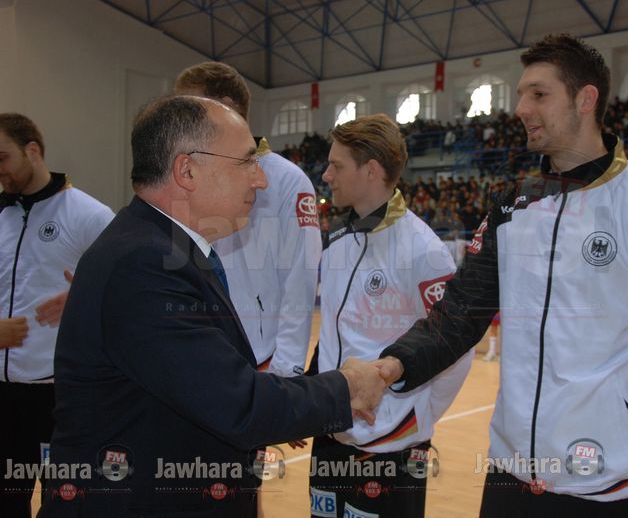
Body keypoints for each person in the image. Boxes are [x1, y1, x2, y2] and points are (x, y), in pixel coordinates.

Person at [376, 34, 628, 517]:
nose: (521, 108)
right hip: (510, 470)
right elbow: (460, 312)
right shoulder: (514, 205)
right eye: (521, 94)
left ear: (585, 99)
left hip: (609, 480)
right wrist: (392, 364)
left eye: (539, 94)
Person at [38, 96, 385, 518]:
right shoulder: (143, 263)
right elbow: (237, 403)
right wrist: (347, 388)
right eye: (247, 161)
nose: (261, 179)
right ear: (187, 171)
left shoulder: (167, 250)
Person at [308, 114, 473, 518]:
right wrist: (311, 395)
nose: (326, 175)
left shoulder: (423, 250)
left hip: (391, 446)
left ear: (371, 170)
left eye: (336, 165)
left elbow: (456, 346)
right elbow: (334, 333)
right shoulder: (336, 240)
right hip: (330, 433)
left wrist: (414, 420)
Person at [0, 113, 114, 518]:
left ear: (32, 150)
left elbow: (130, 291)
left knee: (63, 504)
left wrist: (83, 298)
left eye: (3, 157)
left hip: (60, 397)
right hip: (3, 397)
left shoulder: (89, 215)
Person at [175, 62, 319, 378]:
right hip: (196, 355)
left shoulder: (286, 180)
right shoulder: (186, 173)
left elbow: (301, 278)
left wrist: (287, 371)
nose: (179, 119)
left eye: (191, 109)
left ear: (226, 107)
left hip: (260, 363)